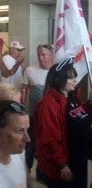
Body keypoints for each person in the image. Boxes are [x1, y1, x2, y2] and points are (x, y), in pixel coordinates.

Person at [35, 58, 92, 188]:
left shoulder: (71, 97)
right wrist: (62, 164)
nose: (75, 81)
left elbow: (81, 115)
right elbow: (50, 139)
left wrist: (89, 104)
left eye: (75, 77)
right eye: (71, 78)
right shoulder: (48, 105)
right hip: (64, 166)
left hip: (79, 159)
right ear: (58, 79)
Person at [21, 44, 54, 173]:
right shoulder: (30, 70)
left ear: (51, 56)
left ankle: (43, 172)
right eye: (39, 55)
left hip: (50, 118)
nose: (40, 58)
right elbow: (24, 89)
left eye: (43, 55)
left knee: (46, 145)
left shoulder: (56, 71)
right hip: (33, 116)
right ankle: (25, 168)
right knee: (30, 143)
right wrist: (22, 107)